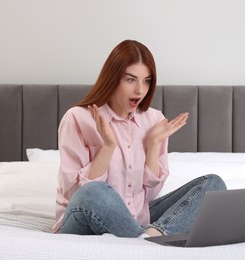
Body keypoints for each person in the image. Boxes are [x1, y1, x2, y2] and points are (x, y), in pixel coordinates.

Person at [54, 39, 226, 237]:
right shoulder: (77, 117)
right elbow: (76, 193)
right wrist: (108, 147)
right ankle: (147, 242)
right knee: (94, 192)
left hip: (136, 219)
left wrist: (153, 146)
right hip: (81, 218)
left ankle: (152, 237)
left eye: (147, 80)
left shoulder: (154, 120)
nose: (140, 90)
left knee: (213, 184)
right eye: (131, 80)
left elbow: (149, 197)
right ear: (112, 78)